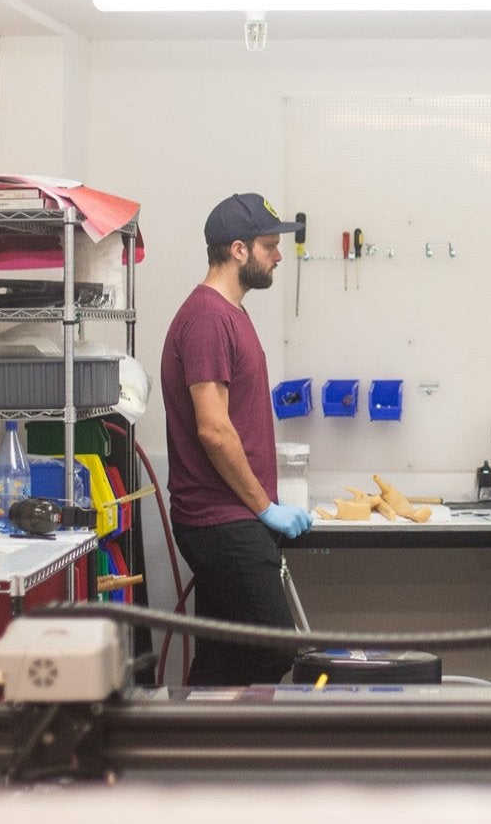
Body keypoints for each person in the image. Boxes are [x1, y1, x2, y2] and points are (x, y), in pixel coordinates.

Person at [161, 192, 314, 686]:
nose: (278, 255)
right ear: (238, 250)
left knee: (224, 657)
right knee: (273, 650)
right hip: (221, 520)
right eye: (269, 245)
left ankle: (200, 754)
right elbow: (214, 429)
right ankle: (227, 752)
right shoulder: (208, 318)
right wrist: (264, 506)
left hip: (226, 516)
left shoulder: (230, 313)